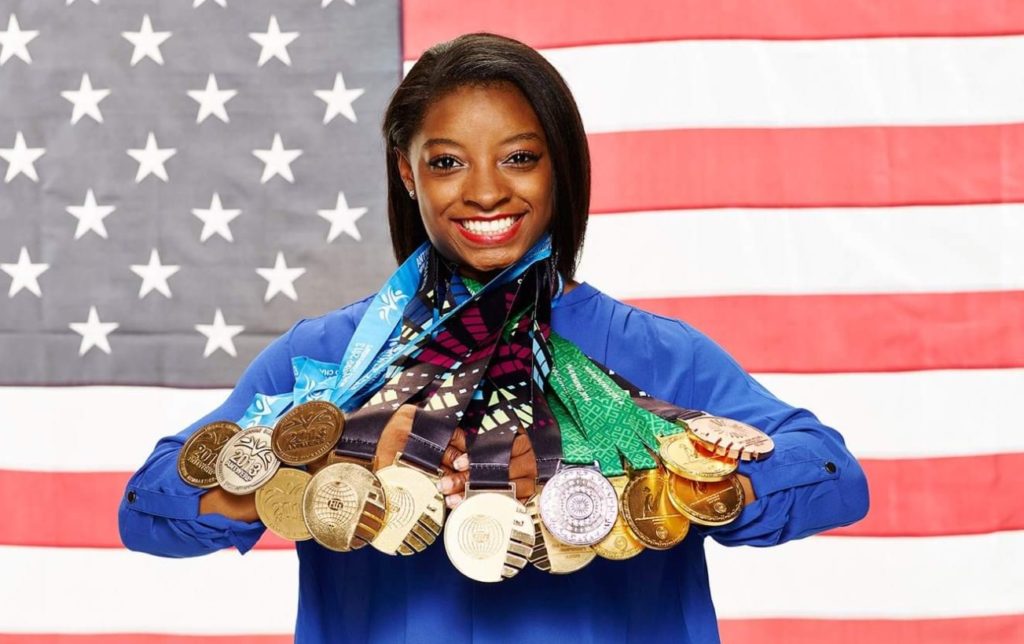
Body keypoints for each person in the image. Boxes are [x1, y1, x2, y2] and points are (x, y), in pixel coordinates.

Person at [118, 32, 869, 643]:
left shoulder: (655, 354)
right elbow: (147, 510)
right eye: (446, 162)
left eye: (519, 157)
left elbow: (835, 476)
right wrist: (333, 455)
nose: (484, 191)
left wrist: (622, 463)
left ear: (561, 170)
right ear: (407, 176)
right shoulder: (331, 357)